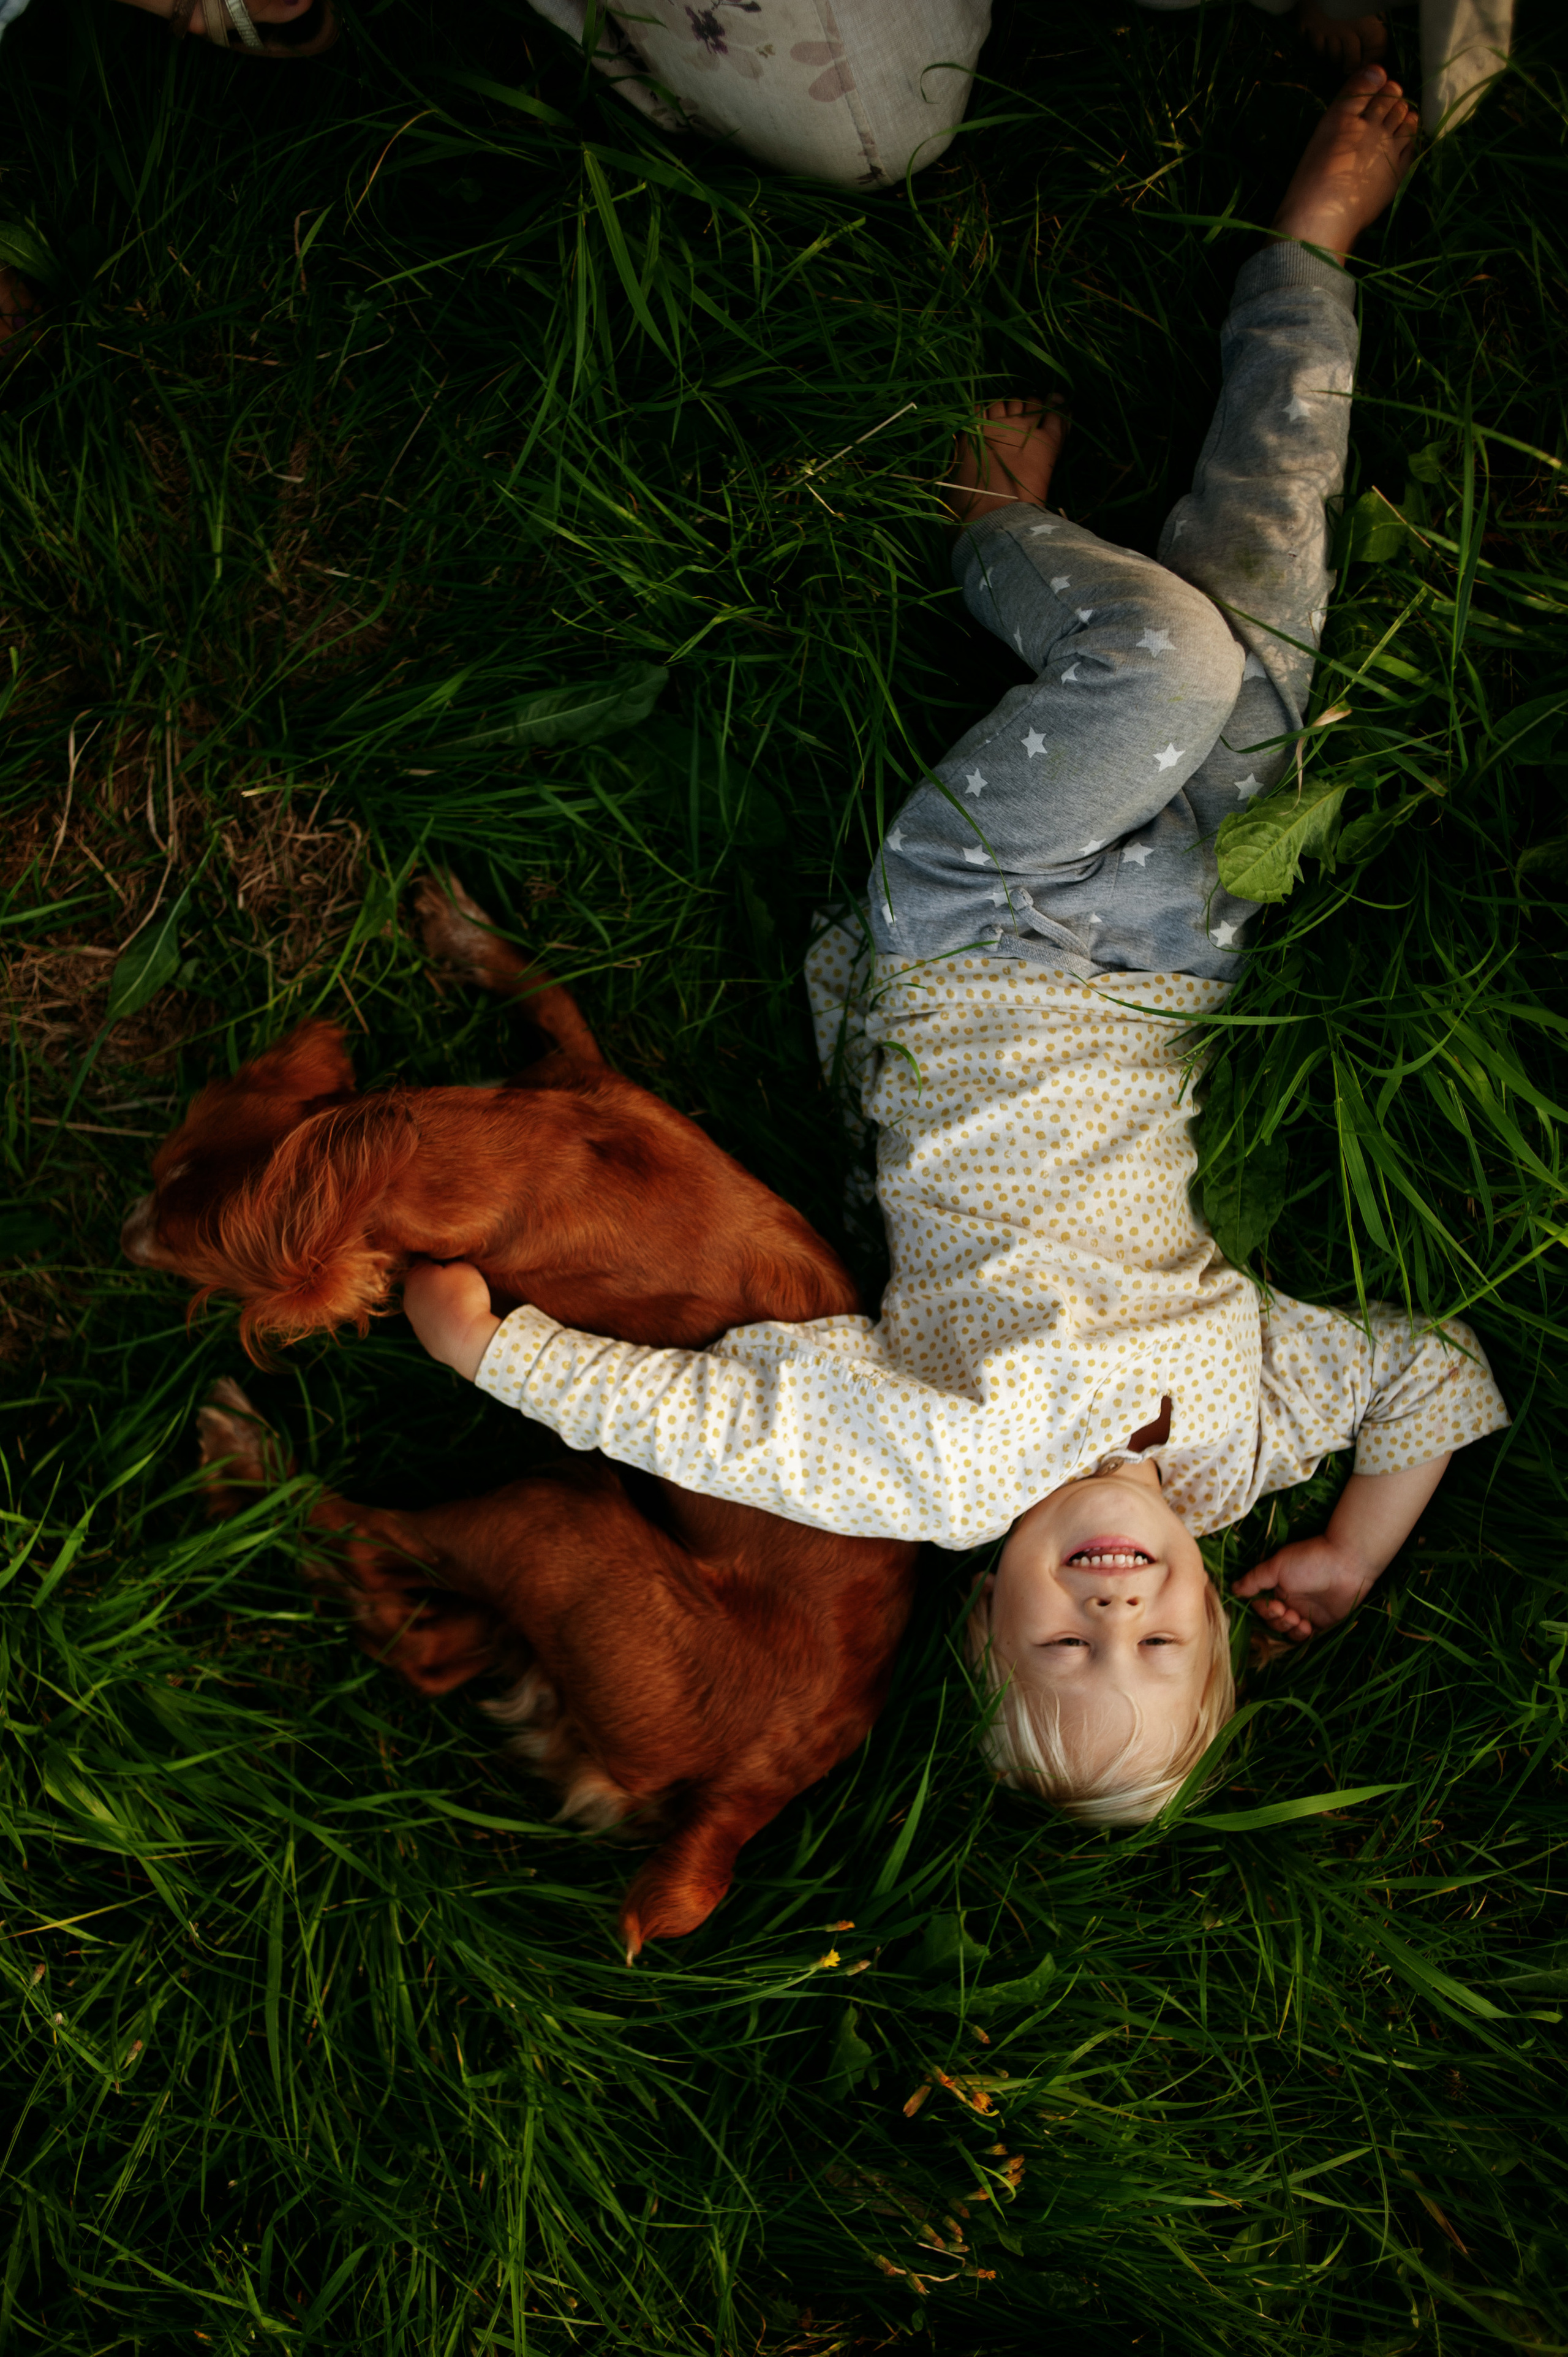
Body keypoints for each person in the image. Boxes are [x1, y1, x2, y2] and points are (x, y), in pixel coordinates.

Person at [403, 67, 1508, 1823]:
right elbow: (1435, 1374)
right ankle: (1310, 258)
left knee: (1174, 670)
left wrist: (499, 1357)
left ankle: (992, 529)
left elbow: (711, 1427)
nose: (1115, 1612)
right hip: (1181, 940)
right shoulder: (1243, 1442)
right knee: (1276, 573)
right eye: (1162, 1647)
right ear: (1219, 1601)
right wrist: (1360, 1555)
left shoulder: (933, 1467)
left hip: (971, 938)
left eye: (1069, 1654)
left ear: (989, 1622)